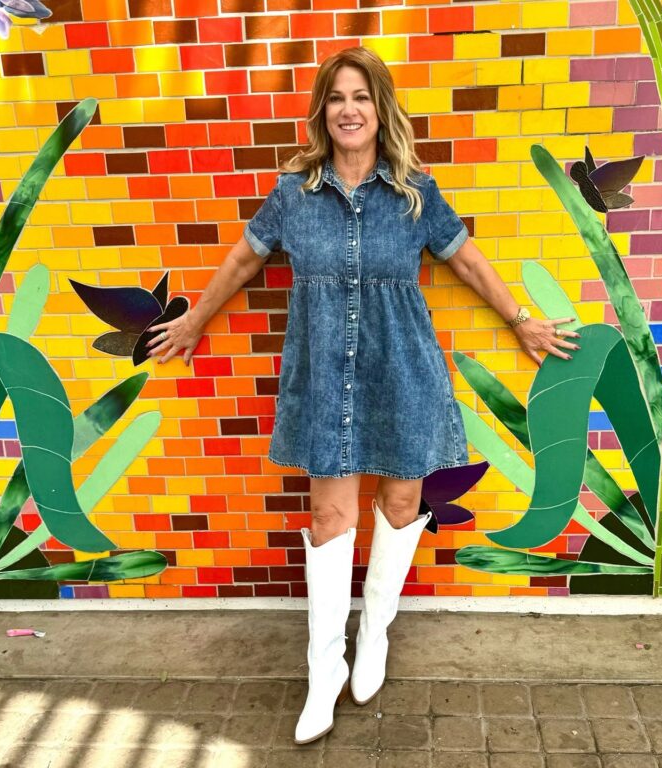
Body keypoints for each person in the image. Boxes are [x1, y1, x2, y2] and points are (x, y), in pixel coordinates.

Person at [146, 46, 580, 744]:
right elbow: (244, 256)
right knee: (330, 516)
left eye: (362, 97)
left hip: (402, 364)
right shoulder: (294, 192)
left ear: (381, 110)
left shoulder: (414, 190)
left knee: (403, 502)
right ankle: (325, 667)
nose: (349, 109)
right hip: (325, 374)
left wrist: (520, 320)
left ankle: (375, 630)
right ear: (323, 112)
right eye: (337, 97)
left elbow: (464, 256)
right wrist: (195, 320)